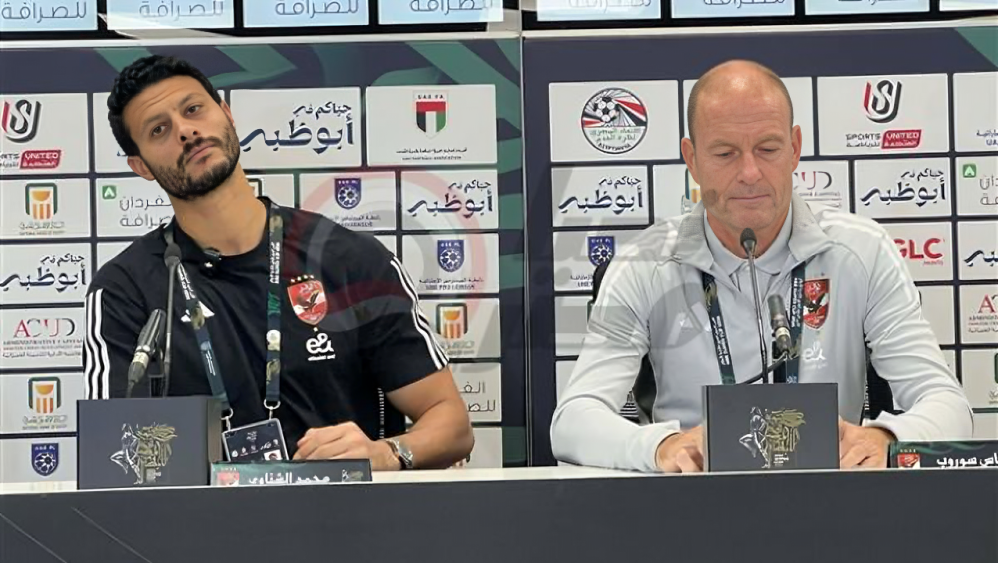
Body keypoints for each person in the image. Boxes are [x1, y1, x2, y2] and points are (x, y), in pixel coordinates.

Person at [550, 60, 973, 473]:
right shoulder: (643, 264)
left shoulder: (863, 251)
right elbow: (572, 421)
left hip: (833, 498)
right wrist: (661, 447)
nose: (750, 173)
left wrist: (886, 438)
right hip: (689, 499)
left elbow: (948, 405)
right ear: (692, 158)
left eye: (768, 149)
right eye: (725, 153)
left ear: (795, 148)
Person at [83, 55, 474, 470]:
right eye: (158, 130)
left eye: (193, 109)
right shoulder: (125, 290)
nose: (185, 131)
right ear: (141, 166)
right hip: (204, 512)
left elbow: (451, 425)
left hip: (343, 510)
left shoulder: (350, 260)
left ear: (227, 114)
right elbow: (114, 461)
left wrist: (387, 453)